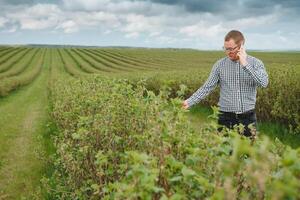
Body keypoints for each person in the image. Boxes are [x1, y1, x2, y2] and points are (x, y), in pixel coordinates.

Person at [182, 30, 268, 137]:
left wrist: (245, 64)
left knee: (248, 152)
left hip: (248, 118)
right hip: (225, 118)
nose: (228, 52)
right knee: (225, 152)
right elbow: (207, 87)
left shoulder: (256, 63)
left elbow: (263, 83)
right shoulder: (219, 65)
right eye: (225, 49)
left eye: (231, 49)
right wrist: (189, 102)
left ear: (241, 47)